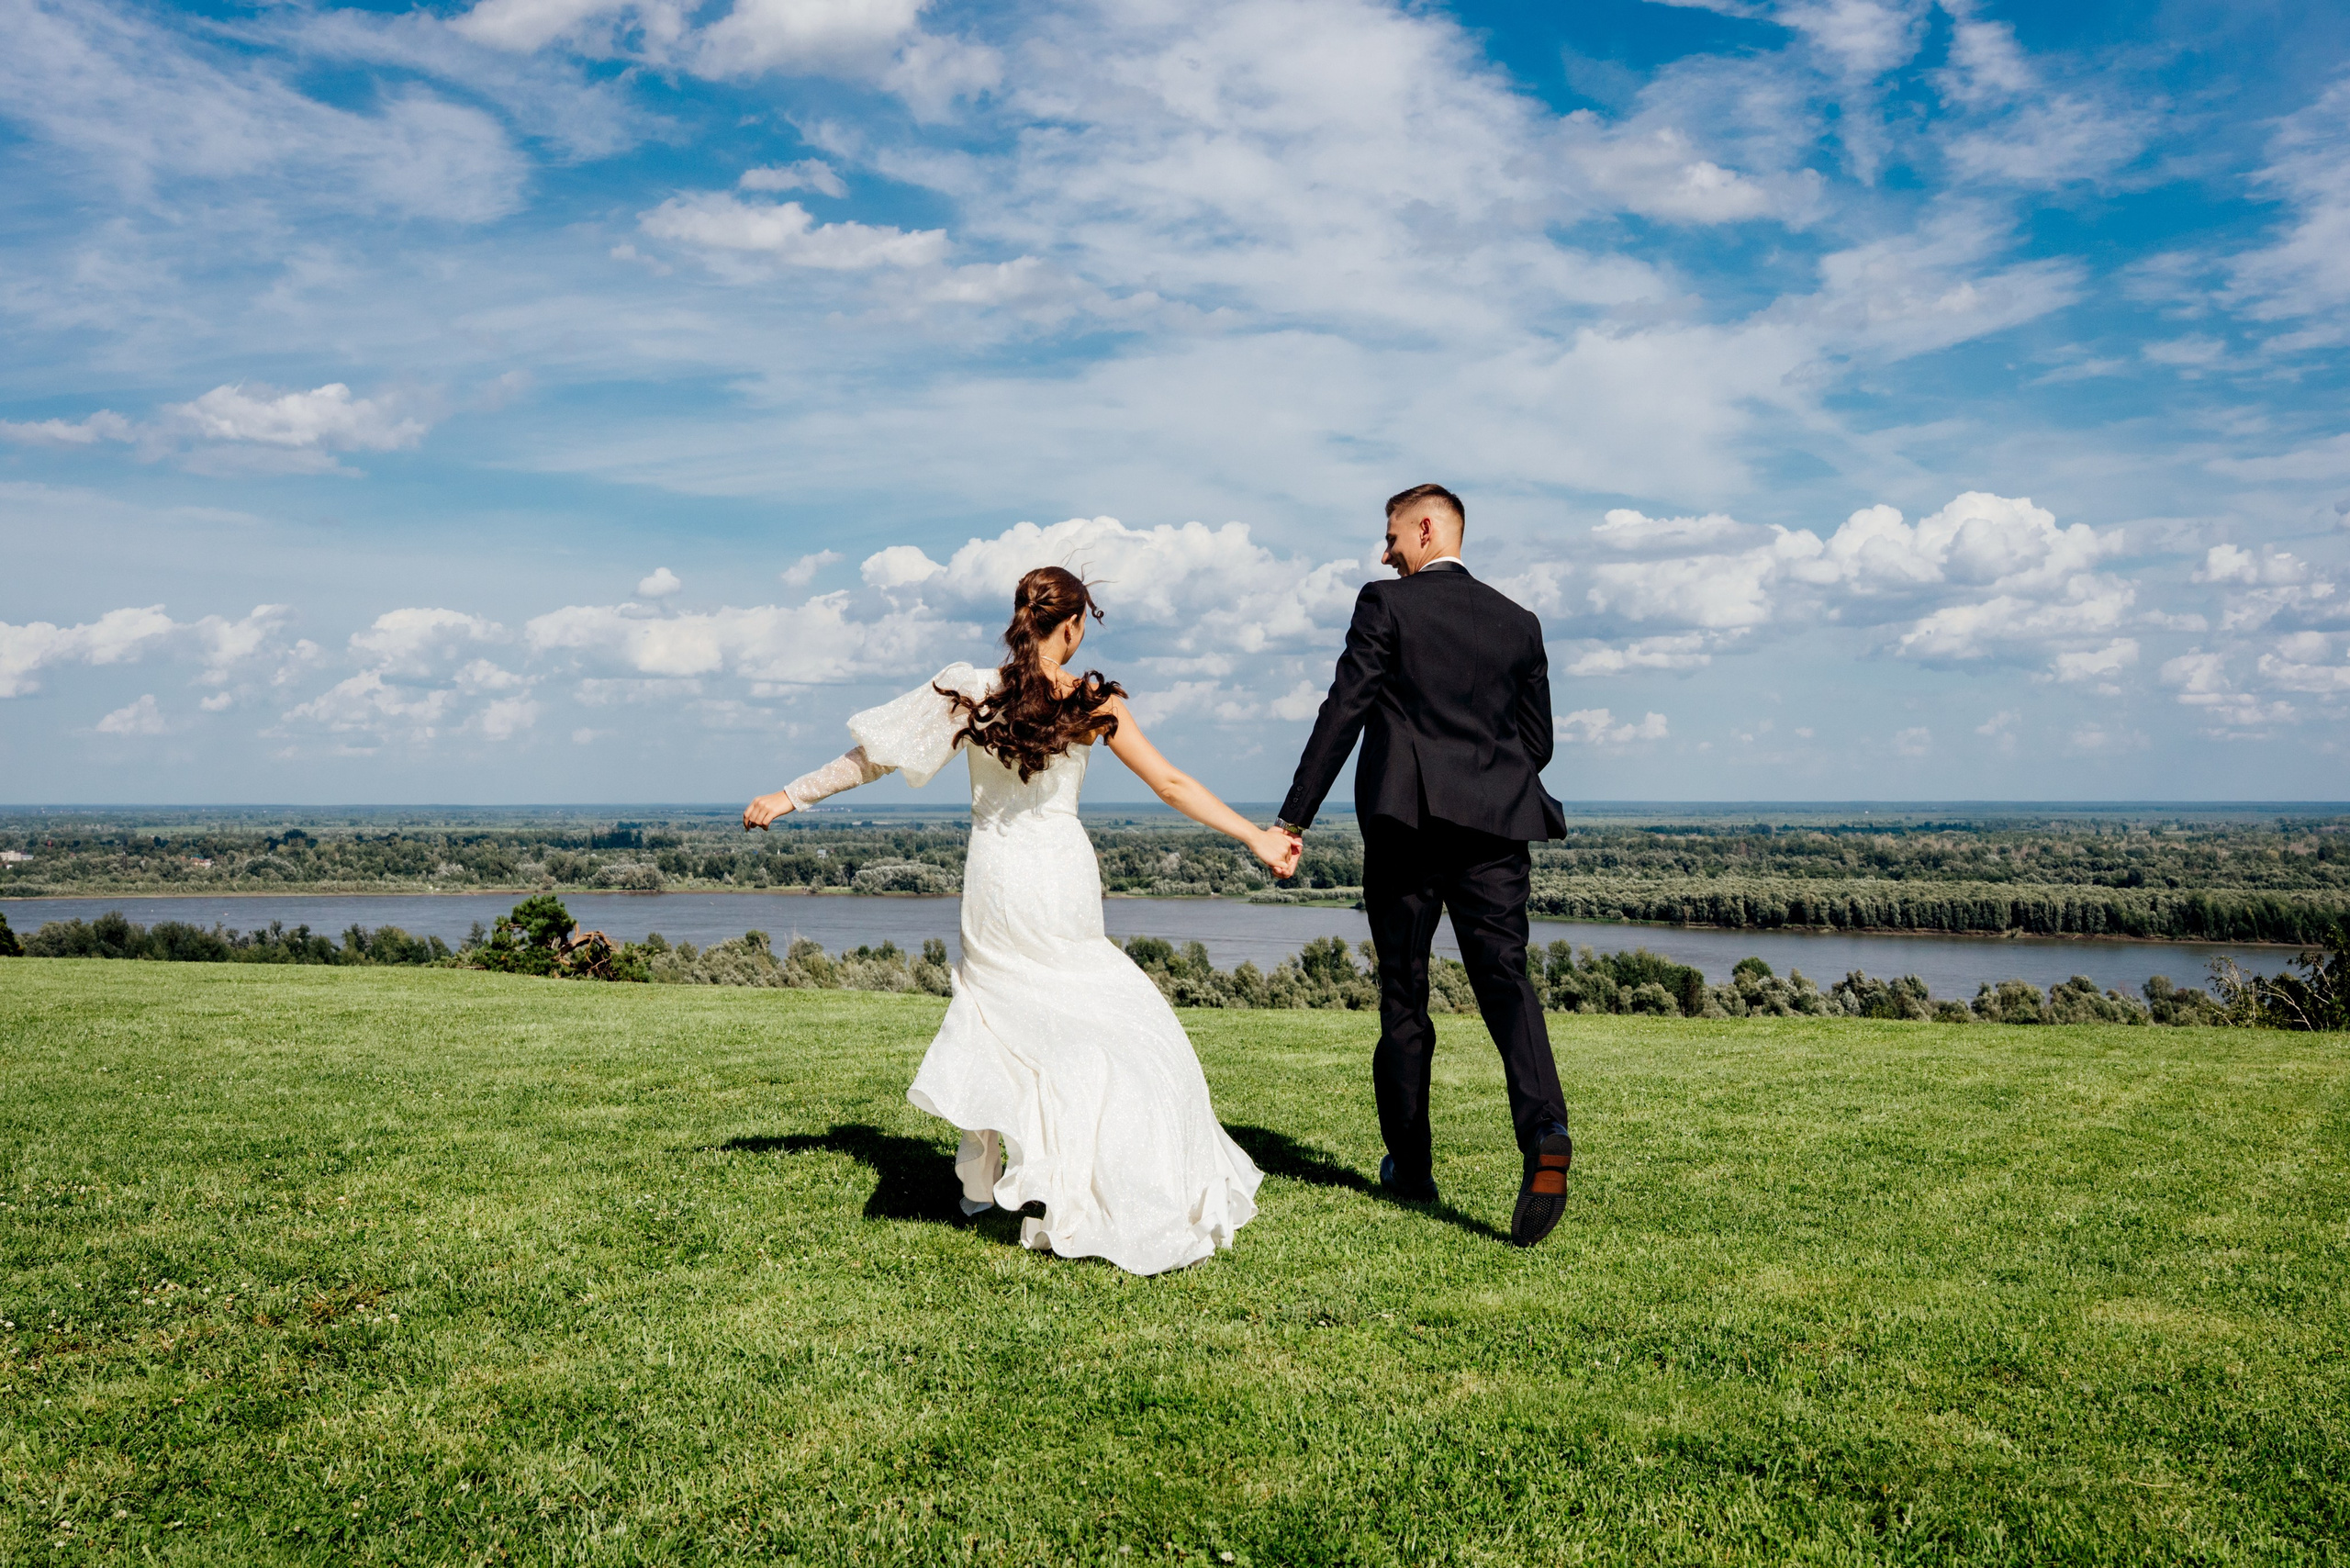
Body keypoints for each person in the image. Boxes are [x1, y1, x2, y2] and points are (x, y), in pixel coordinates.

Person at [743, 566, 1300, 1276]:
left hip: (999, 877)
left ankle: (983, 1184)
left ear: (1020, 618)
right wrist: (1254, 836)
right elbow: (1172, 783)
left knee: (997, 1015)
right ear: (1071, 625)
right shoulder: (1095, 701)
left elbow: (873, 759)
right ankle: (1045, 1172)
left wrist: (790, 795)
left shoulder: (973, 692)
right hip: (1062, 875)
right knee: (1094, 1014)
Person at [1274, 483, 1575, 1247]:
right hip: (1497, 830)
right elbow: (1536, 743)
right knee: (1506, 982)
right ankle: (1545, 1133)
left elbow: (1343, 711)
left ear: (1428, 527)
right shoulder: (1520, 622)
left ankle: (1410, 1167)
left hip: (1407, 828)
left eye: (1393, 538)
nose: (1385, 554)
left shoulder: (1386, 606)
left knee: (1405, 994)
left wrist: (1293, 817)